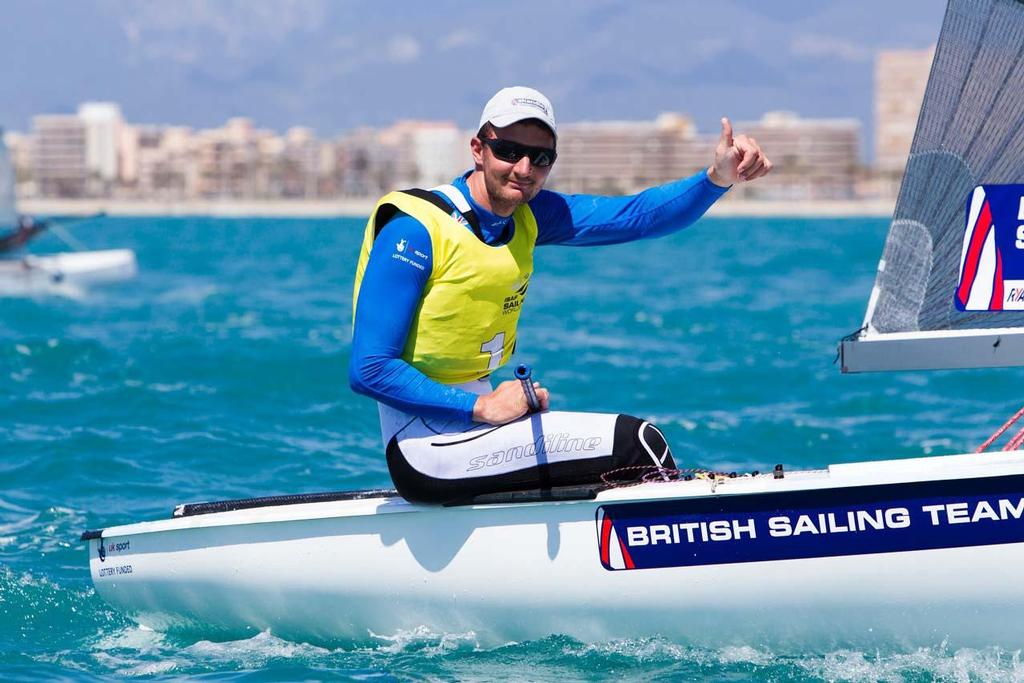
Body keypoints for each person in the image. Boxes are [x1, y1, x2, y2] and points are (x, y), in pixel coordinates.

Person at [351, 86, 772, 504]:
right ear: (478, 148)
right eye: (509, 150)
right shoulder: (415, 229)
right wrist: (483, 409)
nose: (523, 168)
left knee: (619, 461)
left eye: (540, 157)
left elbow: (636, 217)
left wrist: (717, 179)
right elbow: (369, 369)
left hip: (477, 429)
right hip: (424, 450)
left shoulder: (530, 214)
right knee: (637, 443)